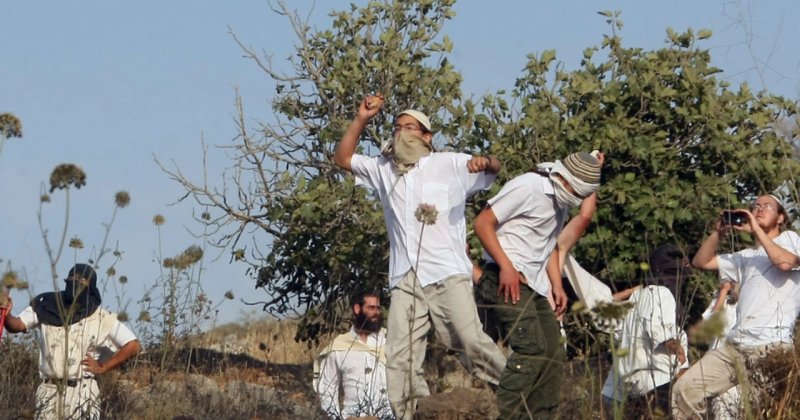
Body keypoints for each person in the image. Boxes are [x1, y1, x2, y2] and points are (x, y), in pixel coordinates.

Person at [333, 95, 506, 419]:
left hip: (446, 272)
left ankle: (518, 389)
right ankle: (414, 413)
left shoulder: (449, 164)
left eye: (410, 128)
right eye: (397, 128)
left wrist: (486, 161)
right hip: (405, 276)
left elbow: (493, 168)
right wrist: (361, 119)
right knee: (400, 356)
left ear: (427, 137)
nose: (402, 134)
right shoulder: (383, 169)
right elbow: (343, 158)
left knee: (468, 339)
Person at [473, 151, 603, 419]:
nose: (574, 198)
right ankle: (505, 413)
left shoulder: (561, 202)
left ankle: (538, 415)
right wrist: (506, 267)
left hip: (533, 285)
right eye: (574, 190)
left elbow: (548, 247)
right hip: (501, 276)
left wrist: (556, 285)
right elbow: (483, 223)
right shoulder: (529, 186)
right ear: (563, 178)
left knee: (553, 354)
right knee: (531, 347)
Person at [672, 194, 800, 419]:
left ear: (781, 218)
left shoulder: (790, 239)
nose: (759, 209)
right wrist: (718, 232)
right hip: (735, 347)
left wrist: (755, 229)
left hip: (769, 349)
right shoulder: (746, 257)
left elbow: (784, 263)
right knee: (684, 390)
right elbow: (701, 262)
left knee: (727, 406)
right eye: (755, 206)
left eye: (767, 206)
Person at [1, 263, 141, 420]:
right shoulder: (47, 306)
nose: (76, 281)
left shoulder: (102, 317)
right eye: (73, 277)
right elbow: (17, 325)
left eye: (82, 279)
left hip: (82, 391)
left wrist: (103, 367)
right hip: (48, 389)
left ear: (91, 286)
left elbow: (133, 345)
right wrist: (7, 314)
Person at [601, 244, 690, 416]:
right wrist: (677, 349)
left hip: (629, 386)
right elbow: (659, 330)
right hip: (656, 381)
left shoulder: (637, 296)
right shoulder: (662, 293)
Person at [314, 291, 393, 419]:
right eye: (371, 308)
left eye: (378, 308)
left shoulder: (389, 341)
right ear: (357, 309)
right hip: (352, 417)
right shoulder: (339, 347)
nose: (377, 313)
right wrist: (336, 417)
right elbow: (328, 389)